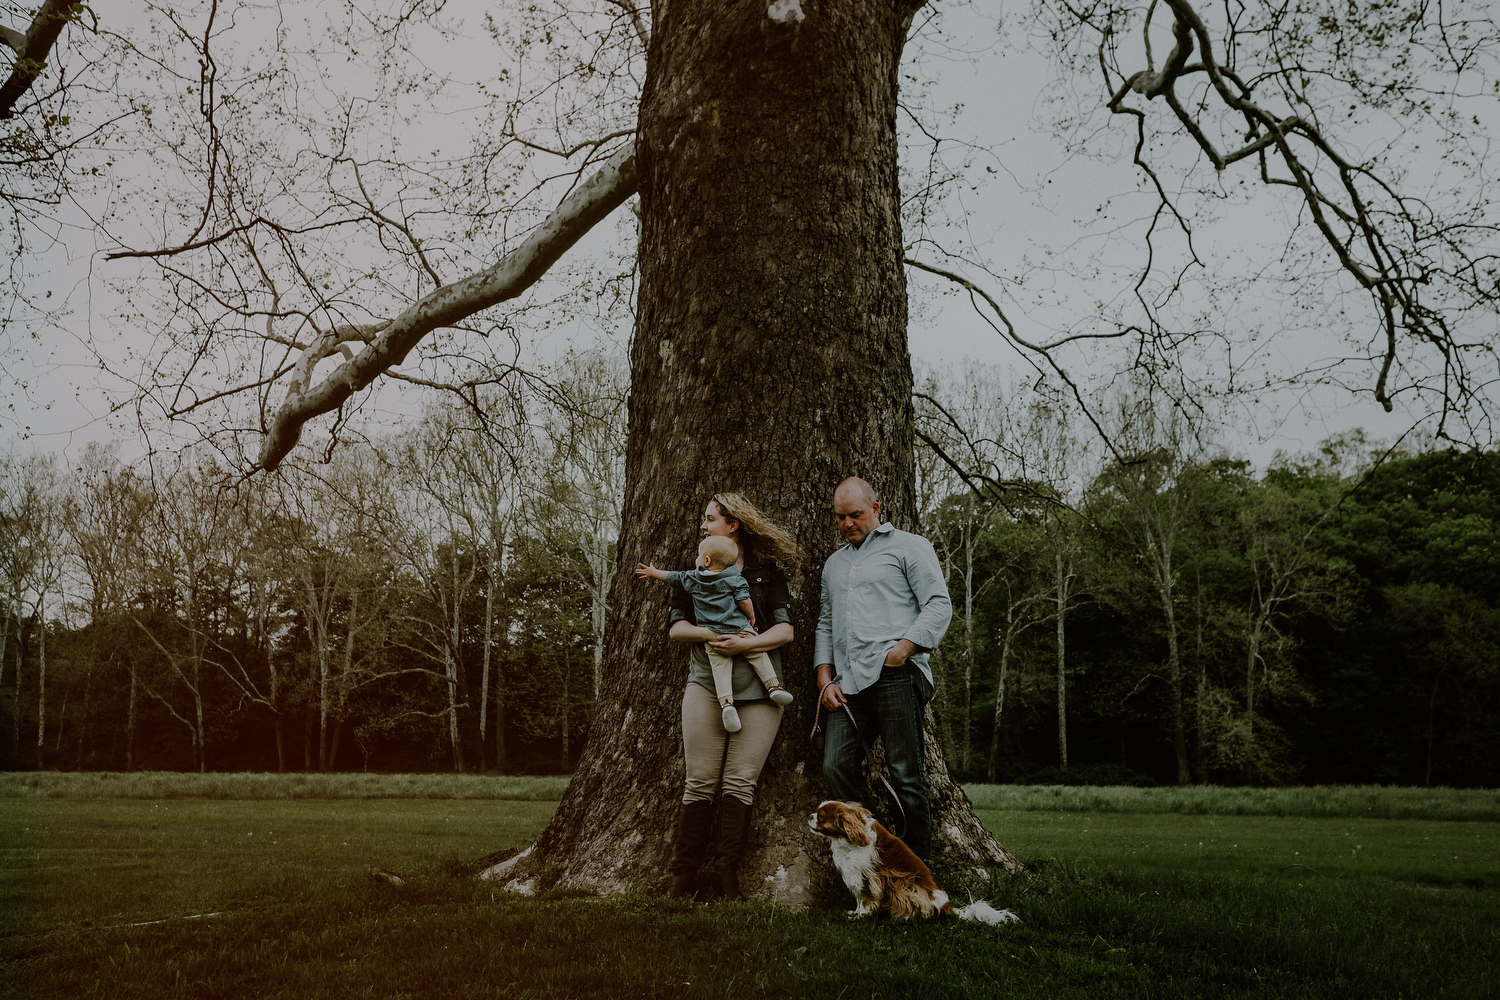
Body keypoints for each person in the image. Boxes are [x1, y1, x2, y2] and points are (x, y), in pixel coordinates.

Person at [660, 493, 800, 900]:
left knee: (740, 783)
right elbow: (675, 627)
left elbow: (785, 630)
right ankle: (682, 879)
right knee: (699, 782)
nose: (702, 526)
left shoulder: (764, 572)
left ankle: (726, 877)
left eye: (709, 519)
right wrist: (708, 635)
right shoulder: (693, 568)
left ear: (733, 524)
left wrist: (741, 645)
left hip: (760, 694)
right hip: (706, 685)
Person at [814, 476, 952, 861]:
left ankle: (916, 875)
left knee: (905, 775)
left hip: (896, 674)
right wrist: (824, 678)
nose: (847, 525)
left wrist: (903, 649)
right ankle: (876, 859)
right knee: (836, 764)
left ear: (876, 508)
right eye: (839, 517)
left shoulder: (909, 547)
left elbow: (939, 605)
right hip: (847, 683)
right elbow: (825, 622)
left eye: (855, 515)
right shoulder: (834, 564)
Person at [637, 535, 794, 733]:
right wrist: (752, 617)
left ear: (707, 560)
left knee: (720, 669)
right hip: (739, 628)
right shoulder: (735, 578)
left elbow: (672, 577)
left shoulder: (692, 578)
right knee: (758, 655)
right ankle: (773, 687)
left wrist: (653, 572)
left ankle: (727, 704)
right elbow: (745, 601)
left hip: (713, 633)